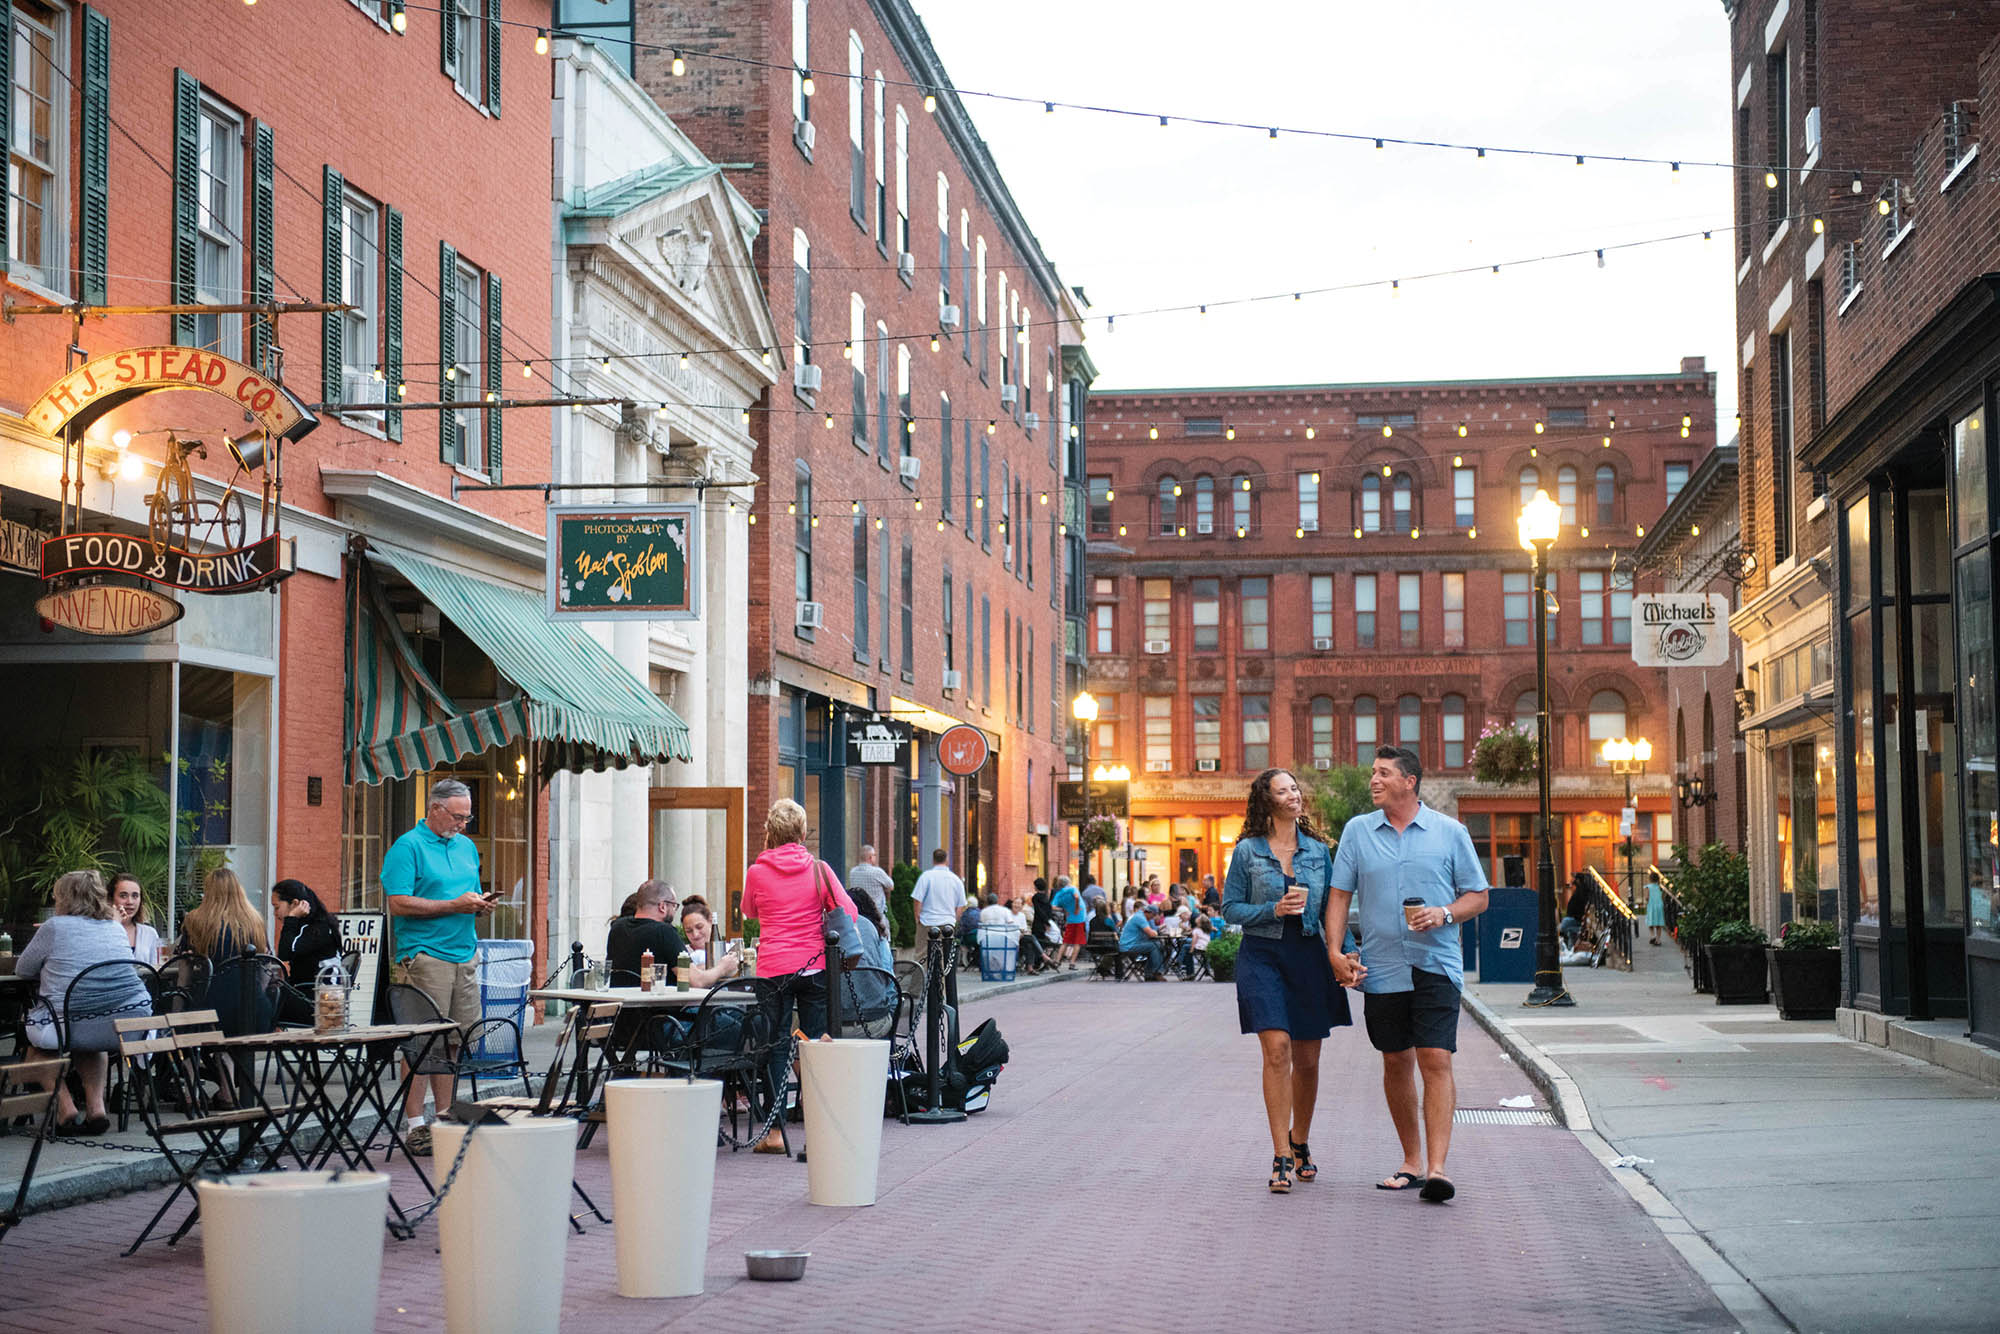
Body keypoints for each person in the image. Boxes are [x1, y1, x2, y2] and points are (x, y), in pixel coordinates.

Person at [1324, 746, 1489, 1205]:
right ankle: (1411, 1162)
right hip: (1381, 968)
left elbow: (1478, 896)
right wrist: (1335, 952)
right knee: (1396, 1060)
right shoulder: (1358, 832)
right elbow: (1338, 897)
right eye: (1372, 773)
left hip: (1436, 964)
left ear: (1409, 781)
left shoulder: (1449, 833)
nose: (1373, 780)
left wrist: (1443, 914)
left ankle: (1438, 1169)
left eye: (1382, 773)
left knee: (1435, 1057)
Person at [1223, 767, 1350, 1194]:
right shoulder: (1247, 852)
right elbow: (1230, 909)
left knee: (1308, 1060)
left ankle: (1301, 1139)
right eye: (1283, 790)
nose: (1293, 794)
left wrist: (1345, 953)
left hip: (1309, 955)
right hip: (1262, 956)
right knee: (1277, 1049)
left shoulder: (1318, 851)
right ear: (1267, 801)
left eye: (1295, 787)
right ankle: (1280, 1152)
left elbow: (1334, 909)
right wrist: (1271, 911)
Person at [741, 798, 861, 1152]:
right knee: (816, 1046)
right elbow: (849, 911)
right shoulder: (818, 869)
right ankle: (820, 1129)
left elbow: (749, 910)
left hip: (774, 968)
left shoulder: (757, 872)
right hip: (814, 966)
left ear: (770, 833)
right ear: (802, 833)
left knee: (776, 1045)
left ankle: (775, 1132)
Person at [383, 778, 495, 1156]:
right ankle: (416, 1125)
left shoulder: (465, 847)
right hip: (425, 954)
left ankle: (445, 1117)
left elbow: (465, 894)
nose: (464, 824)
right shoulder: (408, 847)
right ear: (435, 809)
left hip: (464, 952)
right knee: (421, 1043)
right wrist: (453, 906)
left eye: (468, 817)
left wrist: (478, 903)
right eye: (458, 816)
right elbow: (397, 903)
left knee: (453, 1042)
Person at [16, 870, 151, 1136]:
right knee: (93, 1044)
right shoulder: (115, 927)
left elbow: (22, 969)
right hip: (127, 1022)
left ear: (65, 898)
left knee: (35, 1052)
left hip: (71, 1021)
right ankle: (96, 1110)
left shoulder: (54, 927)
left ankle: (66, 1111)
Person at [179, 868, 275, 1034]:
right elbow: (266, 965)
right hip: (254, 1010)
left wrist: (177, 1010)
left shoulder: (195, 920)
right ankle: (228, 1060)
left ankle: (223, 1059)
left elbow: (184, 971)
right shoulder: (255, 921)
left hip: (210, 1010)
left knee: (187, 1028)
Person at [272, 880, 341, 1024]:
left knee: (260, 1003)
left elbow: (284, 953)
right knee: (262, 999)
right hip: (311, 996)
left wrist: (291, 918)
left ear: (295, 904)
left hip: (321, 1003)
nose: (274, 913)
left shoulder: (317, 928)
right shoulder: (309, 926)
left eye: (277, 907)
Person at [607, 879, 687, 981]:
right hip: (656, 995)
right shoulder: (664, 932)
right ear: (662, 906)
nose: (674, 911)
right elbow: (695, 980)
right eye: (674, 905)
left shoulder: (617, 927)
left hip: (620, 995)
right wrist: (714, 970)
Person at [910, 847, 968, 960]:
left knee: (921, 955)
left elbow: (917, 900)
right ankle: (941, 978)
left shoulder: (926, 876)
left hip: (927, 921)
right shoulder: (955, 879)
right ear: (947, 860)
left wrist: (917, 918)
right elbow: (961, 905)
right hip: (947, 922)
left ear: (933, 860)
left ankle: (919, 978)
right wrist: (954, 920)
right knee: (944, 957)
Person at [676, 898, 743, 988]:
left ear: (710, 921)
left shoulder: (728, 949)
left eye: (699, 927)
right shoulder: (683, 953)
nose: (695, 934)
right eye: (689, 931)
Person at [109, 872, 162, 967]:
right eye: (123, 896)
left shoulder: (150, 933)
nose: (130, 902)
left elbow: (157, 969)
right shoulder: (100, 932)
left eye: (135, 896)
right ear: (111, 899)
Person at [846, 844, 896, 921]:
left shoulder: (853, 872)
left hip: (859, 913)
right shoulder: (877, 872)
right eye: (874, 855)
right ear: (870, 857)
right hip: (876, 913)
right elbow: (891, 886)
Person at [1119, 901, 1166, 980]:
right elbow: (1151, 933)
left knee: (1157, 945)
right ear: (1149, 913)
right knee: (1155, 946)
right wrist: (1154, 932)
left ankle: (1150, 974)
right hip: (1128, 946)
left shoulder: (1140, 916)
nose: (1153, 918)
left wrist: (1154, 932)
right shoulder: (1140, 918)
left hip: (1131, 944)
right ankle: (1157, 972)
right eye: (1153, 915)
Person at [1051, 874, 1088, 971]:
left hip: (1070, 919)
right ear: (1068, 882)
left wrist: (1063, 909)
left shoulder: (1058, 894)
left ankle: (1057, 961)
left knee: (1066, 941)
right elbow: (1076, 897)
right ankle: (1072, 963)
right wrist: (1076, 908)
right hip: (1079, 917)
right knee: (1077, 942)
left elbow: (1053, 907)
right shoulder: (1072, 889)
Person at [1645, 867, 1667, 945]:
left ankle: (1652, 935)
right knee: (1658, 924)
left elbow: (1647, 897)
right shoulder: (1660, 887)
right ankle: (1658, 940)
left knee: (1650, 922)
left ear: (1650, 879)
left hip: (1651, 906)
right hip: (1659, 905)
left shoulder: (1648, 887)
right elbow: (1663, 895)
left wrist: (1646, 901)